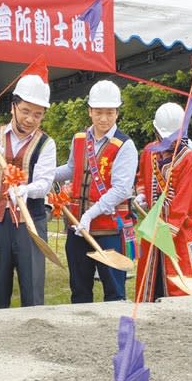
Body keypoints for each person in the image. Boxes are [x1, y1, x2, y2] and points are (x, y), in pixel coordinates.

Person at [0, 74, 56, 309]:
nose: (30, 119)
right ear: (13, 106)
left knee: (32, 286)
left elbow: (45, 183)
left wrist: (26, 190)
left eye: (37, 114)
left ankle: (35, 334)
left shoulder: (46, 143)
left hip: (30, 224)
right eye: (25, 111)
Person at [54, 80, 138, 303]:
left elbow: (121, 189)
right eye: (98, 112)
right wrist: (43, 175)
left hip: (109, 230)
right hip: (78, 228)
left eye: (109, 113)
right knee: (79, 290)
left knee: (114, 291)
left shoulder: (125, 145)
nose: (103, 118)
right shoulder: (79, 139)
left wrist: (90, 214)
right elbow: (72, 169)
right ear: (90, 111)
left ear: (117, 113)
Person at [134, 103, 192, 301]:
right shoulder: (149, 152)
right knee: (149, 282)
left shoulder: (190, 160)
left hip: (179, 232)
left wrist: (168, 231)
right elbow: (142, 179)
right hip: (152, 227)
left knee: (180, 288)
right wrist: (142, 196)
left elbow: (182, 202)